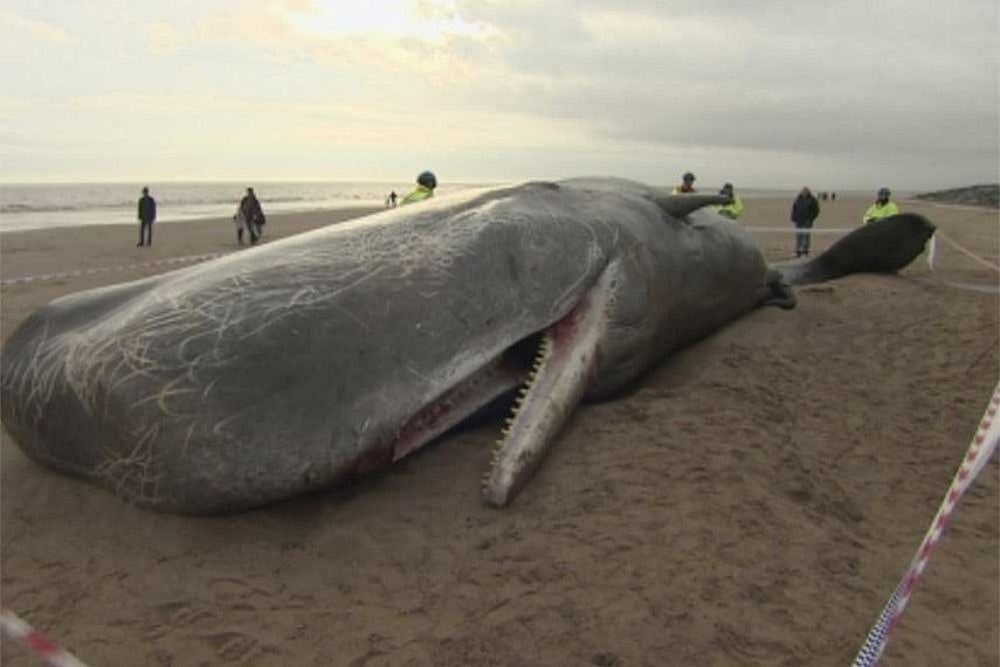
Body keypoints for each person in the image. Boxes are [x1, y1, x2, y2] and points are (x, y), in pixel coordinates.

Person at [790, 187, 820, 258]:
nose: (804, 192)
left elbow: (816, 210)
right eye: (803, 191)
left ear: (808, 192)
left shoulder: (812, 200)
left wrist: (811, 218)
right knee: (798, 237)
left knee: (806, 237)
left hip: (807, 222)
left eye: (805, 191)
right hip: (799, 221)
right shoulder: (798, 199)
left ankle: (806, 252)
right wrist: (793, 217)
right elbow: (794, 209)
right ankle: (798, 252)